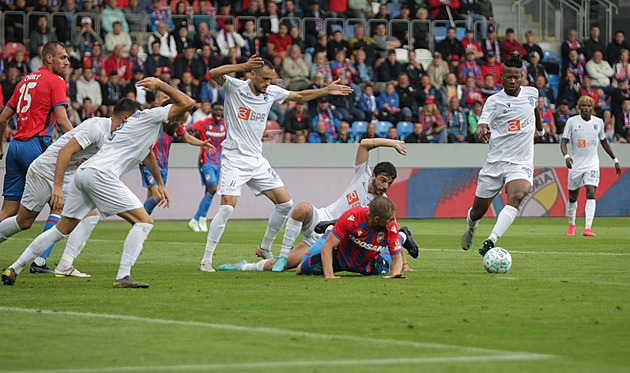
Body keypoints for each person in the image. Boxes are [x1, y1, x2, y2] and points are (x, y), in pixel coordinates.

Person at [1, 77, 195, 287]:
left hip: (82, 173)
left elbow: (147, 155)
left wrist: (160, 184)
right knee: (144, 221)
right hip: (99, 174)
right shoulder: (153, 116)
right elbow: (187, 103)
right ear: (172, 119)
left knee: (61, 229)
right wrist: (160, 85)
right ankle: (123, 276)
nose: (181, 128)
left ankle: (15, 267)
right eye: (181, 122)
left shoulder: (144, 126)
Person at [198, 56, 353, 272]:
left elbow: (299, 95)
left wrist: (325, 90)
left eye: (271, 79)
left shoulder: (271, 92)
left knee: (285, 204)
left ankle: (265, 246)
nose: (267, 83)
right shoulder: (235, 87)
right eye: (264, 79)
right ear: (252, 75)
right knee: (226, 208)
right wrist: (242, 66)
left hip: (256, 160)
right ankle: (206, 260)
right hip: (234, 159)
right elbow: (214, 72)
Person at [216, 139, 417, 273]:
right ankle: (279, 253)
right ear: (373, 175)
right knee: (302, 208)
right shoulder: (362, 176)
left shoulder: (382, 206)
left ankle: (242, 266)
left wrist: (404, 265)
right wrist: (392, 143)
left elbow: (392, 234)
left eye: (389, 183)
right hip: (322, 218)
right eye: (382, 180)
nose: (384, 186)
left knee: (290, 266)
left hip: (331, 236)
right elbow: (364, 144)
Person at [0, 100, 142, 276]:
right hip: (45, 171)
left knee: (89, 216)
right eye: (136, 121)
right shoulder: (96, 127)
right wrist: (57, 187)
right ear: (126, 118)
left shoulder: (113, 136)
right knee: (24, 222)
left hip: (68, 176)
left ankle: (65, 264)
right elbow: (65, 152)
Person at [0, 41, 74, 274]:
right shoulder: (56, 81)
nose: (66, 62)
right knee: (59, 205)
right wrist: (79, 145)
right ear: (49, 58)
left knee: (7, 212)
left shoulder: (24, 81)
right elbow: (61, 121)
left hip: (14, 148)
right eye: (62, 57)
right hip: (36, 148)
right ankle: (40, 261)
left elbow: (2, 118)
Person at [460, 55, 544, 256]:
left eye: (516, 77)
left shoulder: (532, 93)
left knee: (517, 195)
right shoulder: (494, 101)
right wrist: (481, 130)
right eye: (508, 77)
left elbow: (535, 111)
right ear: (502, 77)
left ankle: (492, 239)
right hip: (495, 163)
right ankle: (471, 227)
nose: (512, 81)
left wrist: (539, 131)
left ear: (522, 76)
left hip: (520, 162)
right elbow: (482, 124)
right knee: (477, 211)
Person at [140, 90, 215, 216]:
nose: (168, 99)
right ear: (157, 101)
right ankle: (140, 220)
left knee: (152, 197)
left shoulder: (173, 120)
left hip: (163, 165)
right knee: (158, 195)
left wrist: (201, 143)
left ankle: (142, 222)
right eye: (164, 97)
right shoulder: (152, 117)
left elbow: (186, 137)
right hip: (149, 163)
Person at [297, 196, 406, 279]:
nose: (393, 220)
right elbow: (327, 246)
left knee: (387, 267)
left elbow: (396, 257)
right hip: (340, 259)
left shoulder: (391, 226)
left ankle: (402, 236)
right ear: (377, 219)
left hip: (370, 263)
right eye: (390, 218)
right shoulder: (351, 217)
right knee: (300, 270)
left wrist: (395, 274)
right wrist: (329, 275)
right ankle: (331, 229)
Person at [560, 96, 621, 237]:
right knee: (573, 197)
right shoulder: (572, 122)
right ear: (579, 107)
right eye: (584, 106)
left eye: (589, 106)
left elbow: (604, 142)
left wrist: (615, 159)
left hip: (592, 164)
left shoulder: (598, 122)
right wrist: (566, 156)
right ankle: (572, 225)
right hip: (575, 164)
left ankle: (588, 228)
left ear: (592, 108)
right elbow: (563, 142)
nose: (586, 108)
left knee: (591, 193)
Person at [187, 102, 225, 232]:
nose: (219, 112)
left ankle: (201, 219)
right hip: (205, 161)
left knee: (209, 191)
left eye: (221, 110)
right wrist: (178, 128)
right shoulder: (204, 123)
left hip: (218, 163)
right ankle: (196, 218)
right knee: (213, 188)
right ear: (212, 112)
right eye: (216, 110)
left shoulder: (226, 124)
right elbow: (189, 128)